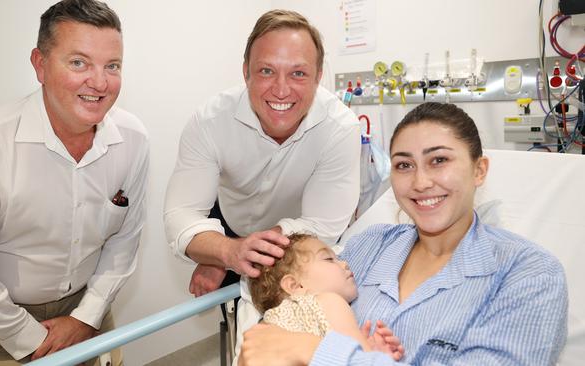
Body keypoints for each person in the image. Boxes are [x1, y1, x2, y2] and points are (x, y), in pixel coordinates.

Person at [239, 102, 568, 366]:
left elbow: (299, 346)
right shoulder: (370, 245)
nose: (421, 182)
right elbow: (280, 332)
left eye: (438, 160)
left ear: (479, 170)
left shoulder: (528, 274)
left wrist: (314, 352)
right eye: (404, 165)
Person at [0, 1, 149, 365]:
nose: (99, 83)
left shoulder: (133, 139)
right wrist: (35, 340)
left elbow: (123, 243)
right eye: (78, 62)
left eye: (111, 66)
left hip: (88, 303)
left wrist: (85, 318)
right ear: (40, 64)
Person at [163, 8, 360, 357]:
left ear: (317, 77)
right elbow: (181, 215)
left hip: (298, 234)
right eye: (267, 71)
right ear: (246, 73)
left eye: (298, 73)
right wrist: (223, 252)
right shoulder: (210, 121)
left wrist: (241, 256)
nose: (281, 89)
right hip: (227, 221)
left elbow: (324, 225)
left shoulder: (339, 128)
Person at [248, 233, 404, 361]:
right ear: (295, 286)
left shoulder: (269, 325)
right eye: (329, 259)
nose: (344, 263)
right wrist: (375, 354)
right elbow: (359, 361)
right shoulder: (328, 302)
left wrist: (370, 348)